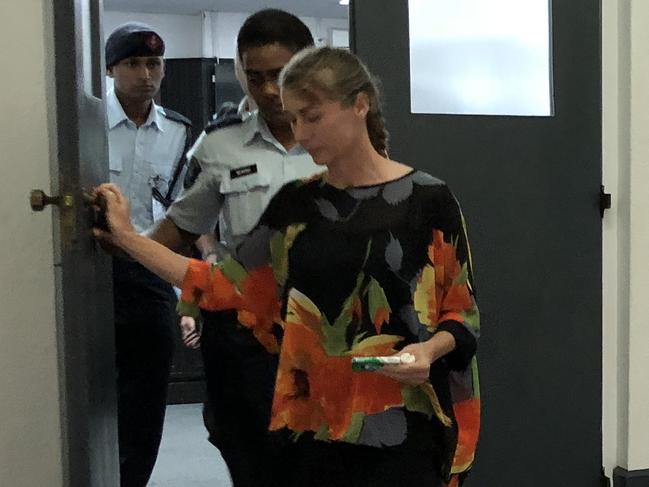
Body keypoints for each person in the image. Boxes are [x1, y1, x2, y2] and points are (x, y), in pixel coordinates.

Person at [96, 46, 480, 487]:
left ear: (360, 104)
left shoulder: (428, 201)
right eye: (294, 118)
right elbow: (220, 284)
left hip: (406, 423)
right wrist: (127, 238)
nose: (301, 132)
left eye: (313, 117)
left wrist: (429, 351)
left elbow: (462, 311)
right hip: (312, 426)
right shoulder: (296, 206)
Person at [143, 9, 321, 486]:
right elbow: (179, 230)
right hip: (247, 334)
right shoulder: (218, 146)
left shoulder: (340, 138)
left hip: (325, 327)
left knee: (326, 457)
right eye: (255, 76)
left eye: (280, 76)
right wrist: (117, 242)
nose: (267, 91)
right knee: (249, 452)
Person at [104, 22, 193, 487]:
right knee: (95, 388)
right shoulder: (86, 123)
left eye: (154, 64)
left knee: (147, 391)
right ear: (110, 69)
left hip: (148, 268)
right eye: (134, 64)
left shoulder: (178, 131)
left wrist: (183, 293)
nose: (146, 74)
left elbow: (180, 211)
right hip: (93, 271)